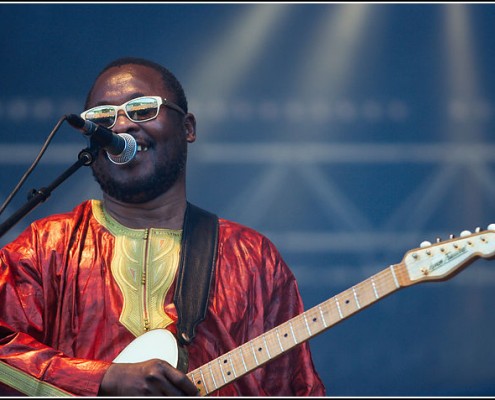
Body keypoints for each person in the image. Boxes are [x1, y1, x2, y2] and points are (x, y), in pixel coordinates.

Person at [0, 57, 326, 396]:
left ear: (188, 128)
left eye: (142, 110)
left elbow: (296, 387)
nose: (121, 126)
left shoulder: (253, 258)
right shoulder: (44, 246)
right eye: (102, 118)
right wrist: (103, 379)